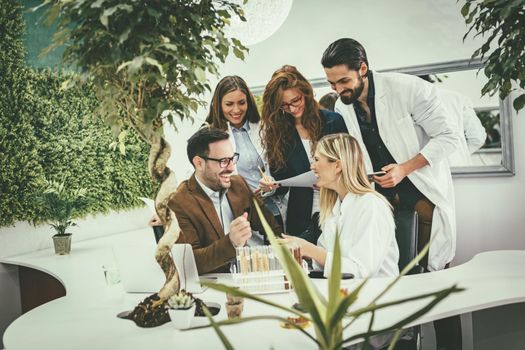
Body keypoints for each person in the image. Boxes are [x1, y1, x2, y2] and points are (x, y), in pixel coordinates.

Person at [322, 38, 460, 349]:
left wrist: (405, 168)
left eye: (344, 81)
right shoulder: (344, 107)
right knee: (388, 280)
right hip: (382, 201)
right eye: (332, 83)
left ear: (363, 69)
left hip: (423, 197)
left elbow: (449, 137)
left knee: (434, 283)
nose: (338, 90)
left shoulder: (408, 89)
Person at [282, 133, 399, 278]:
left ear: (337, 165)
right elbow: (325, 258)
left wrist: (309, 249)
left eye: (317, 160)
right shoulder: (334, 208)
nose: (312, 167)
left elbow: (361, 271)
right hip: (342, 292)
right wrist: (300, 253)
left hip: (376, 294)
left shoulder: (371, 205)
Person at [168, 127, 281, 274]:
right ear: (199, 163)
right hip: (212, 288)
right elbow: (189, 263)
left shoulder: (238, 184)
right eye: (223, 161)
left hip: (250, 276)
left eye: (232, 159)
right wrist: (231, 243)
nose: (232, 168)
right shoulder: (179, 203)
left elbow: (271, 228)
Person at [259, 65, 348, 243]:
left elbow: (349, 164)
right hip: (300, 211)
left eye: (296, 101)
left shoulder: (332, 122)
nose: (292, 109)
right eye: (284, 106)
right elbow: (281, 179)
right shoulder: (279, 133)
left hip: (336, 203)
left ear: (305, 92)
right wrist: (269, 186)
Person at [204, 75, 284, 226]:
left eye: (241, 103)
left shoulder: (264, 128)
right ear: (218, 104)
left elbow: (276, 169)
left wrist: (269, 186)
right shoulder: (209, 135)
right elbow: (204, 178)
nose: (236, 110)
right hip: (237, 213)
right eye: (229, 104)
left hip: (270, 209)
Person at [419, 75, 486, 166]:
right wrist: (461, 155)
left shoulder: (411, 102)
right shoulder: (458, 98)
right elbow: (478, 138)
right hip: (458, 166)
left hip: (426, 169)